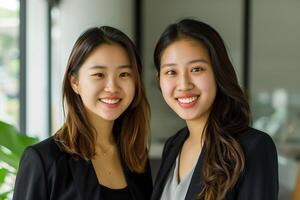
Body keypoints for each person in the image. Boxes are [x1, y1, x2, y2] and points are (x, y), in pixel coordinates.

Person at [13, 26, 152, 200]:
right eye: (99, 74)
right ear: (75, 82)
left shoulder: (135, 156)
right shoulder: (43, 160)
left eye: (124, 74)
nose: (112, 87)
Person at [151, 19, 278, 200]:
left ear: (218, 72)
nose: (184, 84)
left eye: (196, 69)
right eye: (171, 72)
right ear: (159, 80)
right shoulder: (173, 144)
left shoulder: (253, 147)